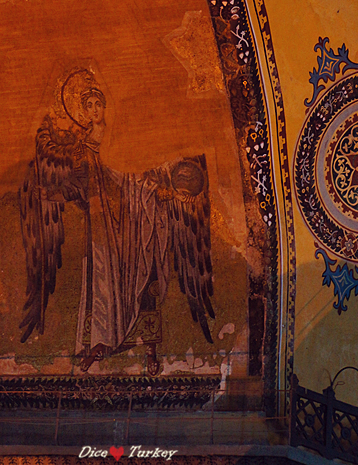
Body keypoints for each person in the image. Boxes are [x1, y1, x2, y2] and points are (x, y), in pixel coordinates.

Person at [19, 68, 215, 373]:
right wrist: (49, 195)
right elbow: (78, 185)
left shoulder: (120, 138)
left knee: (145, 278)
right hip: (103, 228)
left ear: (105, 107)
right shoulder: (83, 149)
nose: (95, 110)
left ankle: (150, 349)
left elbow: (138, 173)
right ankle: (98, 346)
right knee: (101, 286)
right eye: (89, 106)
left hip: (136, 221)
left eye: (99, 104)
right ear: (83, 113)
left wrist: (169, 192)